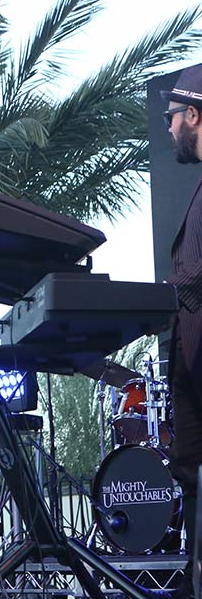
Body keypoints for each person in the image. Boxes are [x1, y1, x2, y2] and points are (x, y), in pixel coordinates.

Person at [163, 64, 202, 598]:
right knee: (190, 473)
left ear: (193, 114)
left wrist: (160, 295)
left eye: (172, 117)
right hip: (192, 367)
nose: (169, 127)